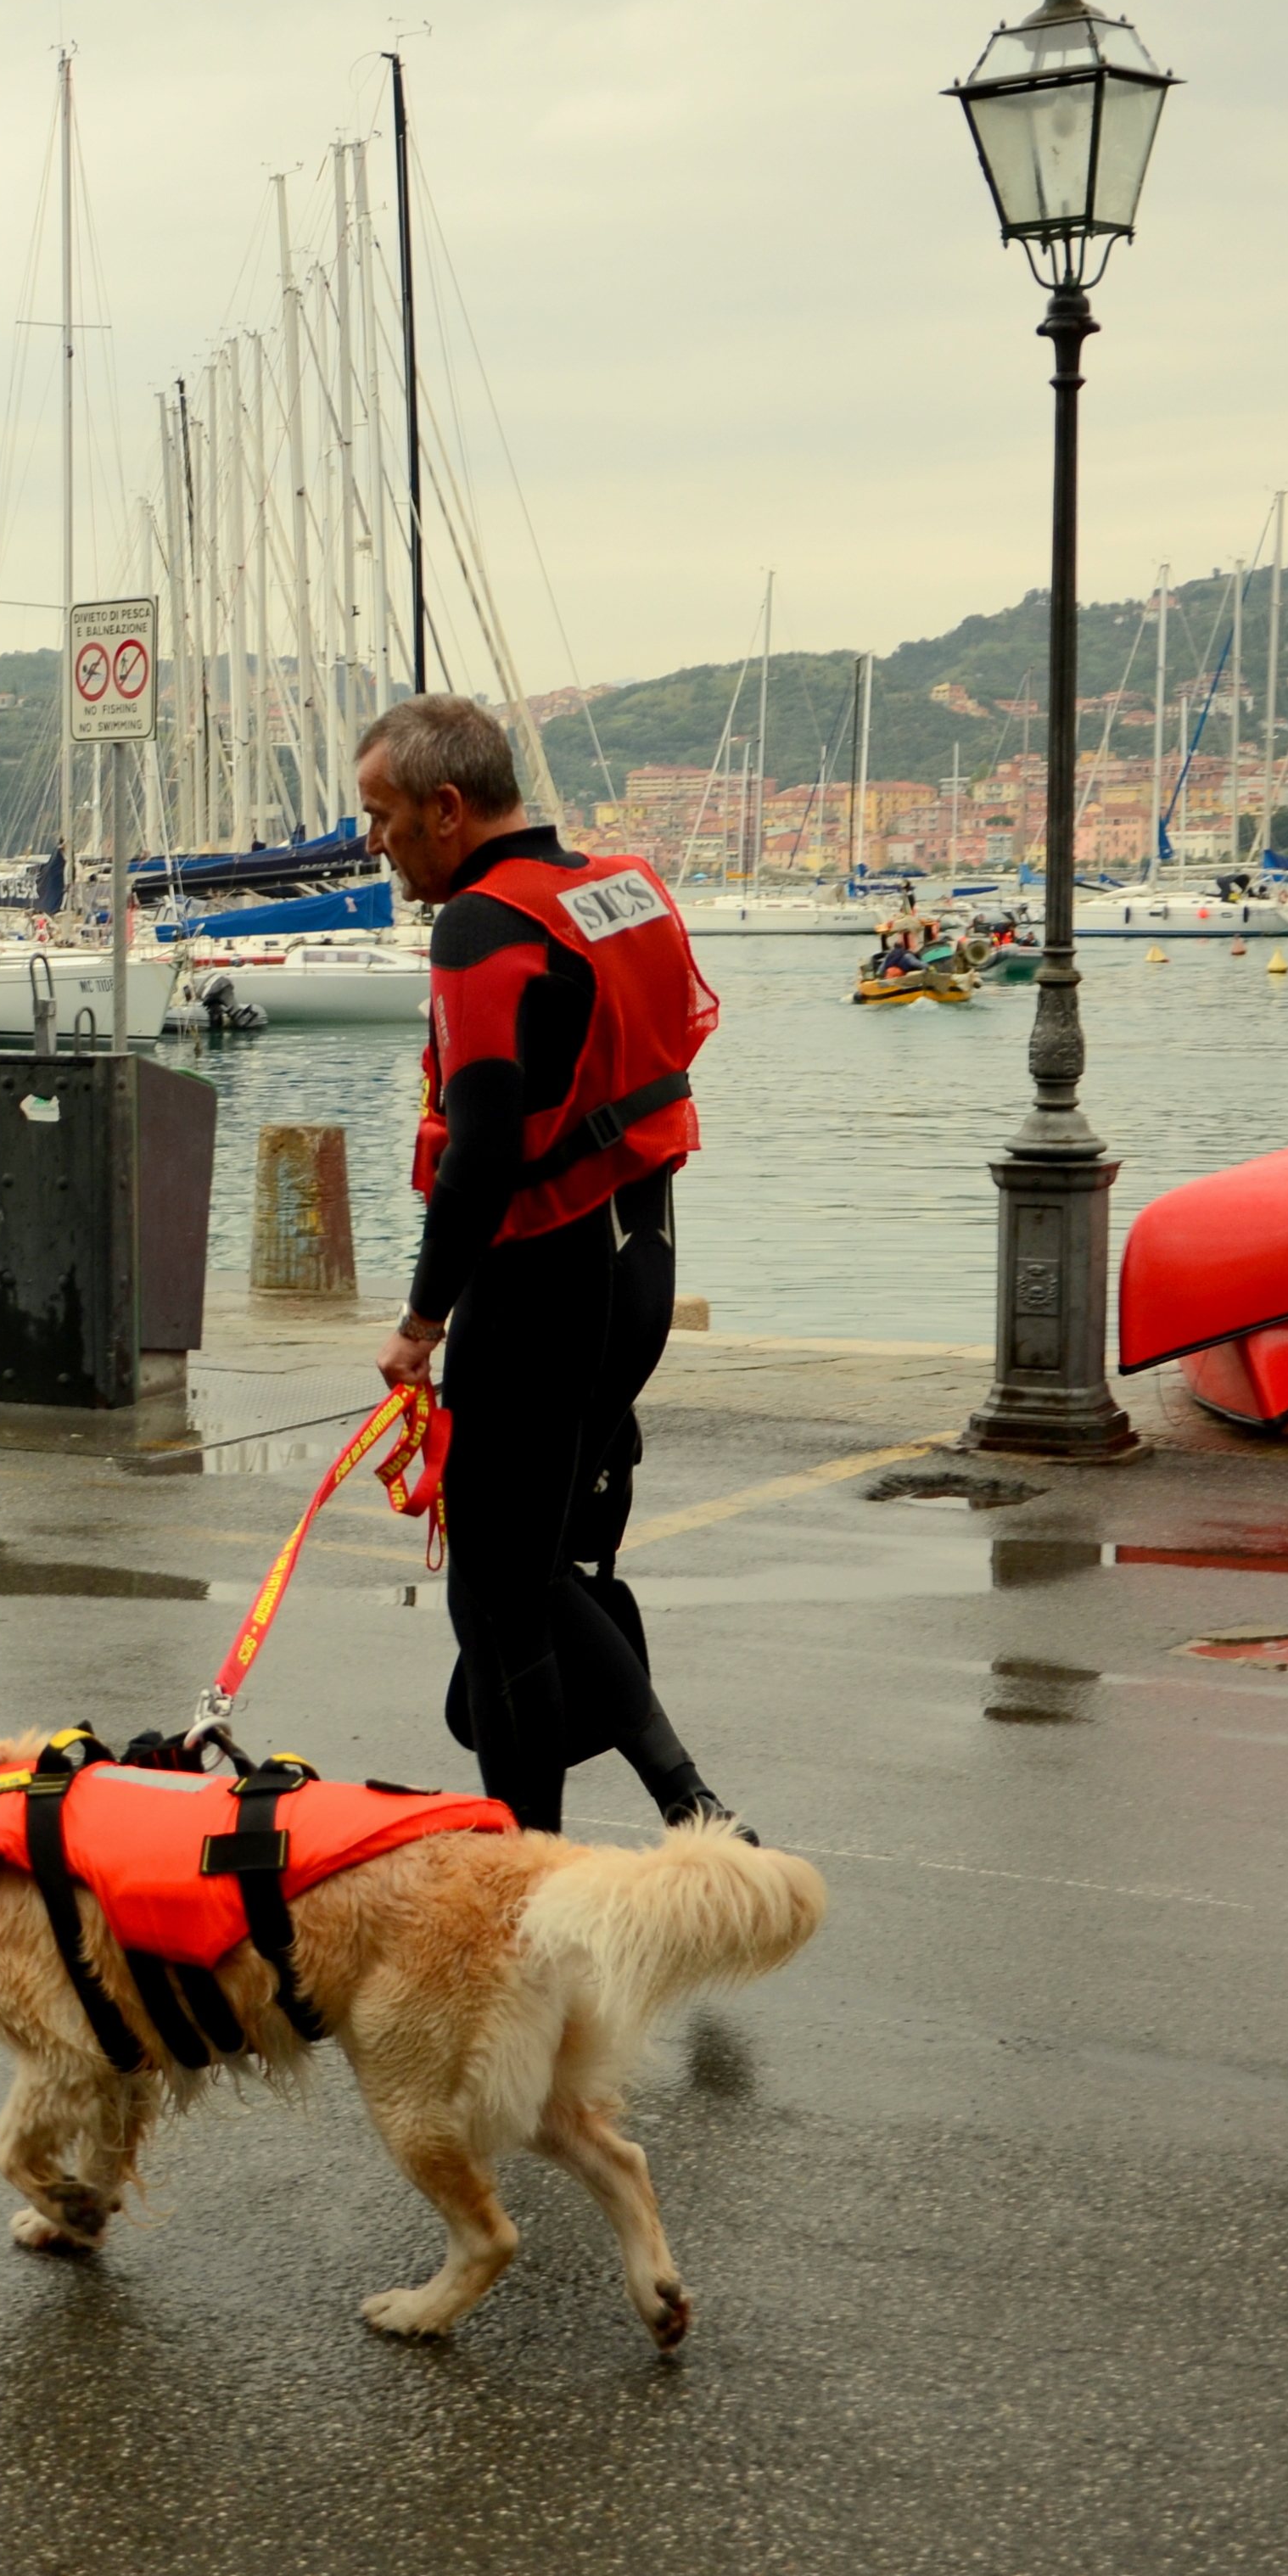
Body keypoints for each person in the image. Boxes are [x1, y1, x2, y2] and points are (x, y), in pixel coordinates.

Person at [357, 693, 735, 1838]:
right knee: (535, 1570)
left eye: (382, 818)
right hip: (640, 1270)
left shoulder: (478, 925)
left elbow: (480, 1148)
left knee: (502, 1595)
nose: (377, 844)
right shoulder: (623, 887)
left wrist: (421, 1324)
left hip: (543, 1286)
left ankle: (534, 1884)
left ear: (448, 807)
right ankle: (678, 1809)